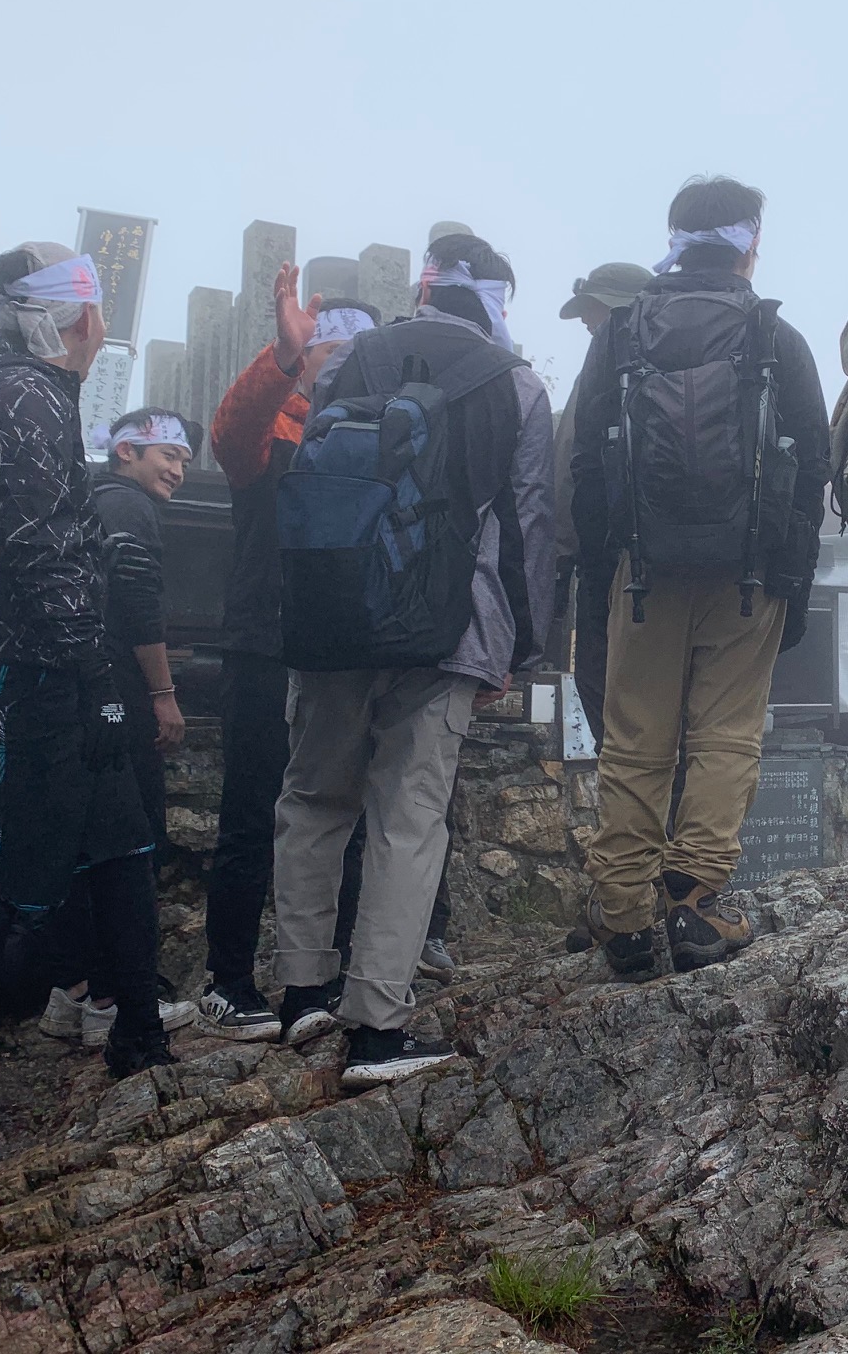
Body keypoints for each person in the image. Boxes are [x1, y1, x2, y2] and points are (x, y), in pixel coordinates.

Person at [271, 229, 554, 1087]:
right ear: (497, 301)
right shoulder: (516, 384)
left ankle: (302, 991)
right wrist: (517, 646)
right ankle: (376, 1029)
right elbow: (529, 526)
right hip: (446, 628)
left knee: (312, 796)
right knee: (408, 817)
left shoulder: (349, 362)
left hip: (333, 617)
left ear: (425, 290)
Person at [0, 243, 166, 1188]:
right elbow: (45, 547)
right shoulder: (23, 398)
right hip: (3, 673)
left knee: (119, 841)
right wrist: (98, 673)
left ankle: (138, 1033)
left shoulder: (22, 393)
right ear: (83, 320)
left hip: (48, 664)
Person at [570, 176, 830, 979]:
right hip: (748, 575)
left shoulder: (622, 333)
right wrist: (790, 581)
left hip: (642, 573)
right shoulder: (774, 335)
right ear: (750, 245)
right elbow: (813, 467)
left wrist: (606, 572)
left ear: (675, 242)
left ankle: (623, 915)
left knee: (635, 740)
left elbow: (586, 465)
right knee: (724, 735)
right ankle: (693, 902)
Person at [200, 282, 378, 1042]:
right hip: (264, 643)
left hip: (343, 652)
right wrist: (280, 353)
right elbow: (230, 430)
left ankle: (327, 976)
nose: (341, 367)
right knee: (250, 813)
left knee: (346, 816)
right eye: (326, 353)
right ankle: (228, 980)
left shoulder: (377, 432)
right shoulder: (272, 429)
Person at [35, 409, 203, 1049]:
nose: (178, 470)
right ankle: (114, 998)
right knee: (129, 841)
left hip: (70, 693)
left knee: (79, 839)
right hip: (117, 692)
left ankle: (73, 990)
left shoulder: (78, 501)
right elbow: (137, 603)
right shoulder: (129, 507)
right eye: (169, 455)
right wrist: (163, 693)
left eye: (184, 461)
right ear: (126, 451)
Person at [552, 262, 655, 748]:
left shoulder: (602, 368)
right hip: (692, 560)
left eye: (591, 313)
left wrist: (560, 557)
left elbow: (569, 469)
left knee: (608, 696)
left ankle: (632, 792)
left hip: (608, 561)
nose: (587, 324)